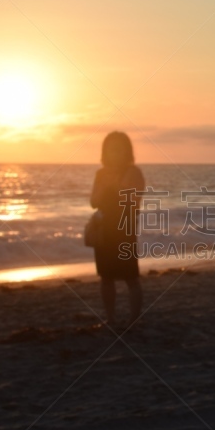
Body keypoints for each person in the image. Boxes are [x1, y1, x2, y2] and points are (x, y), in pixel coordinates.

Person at [90, 131, 146, 327]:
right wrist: (105, 186)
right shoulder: (100, 174)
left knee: (131, 277)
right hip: (104, 229)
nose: (114, 153)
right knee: (106, 277)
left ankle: (134, 319)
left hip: (125, 229)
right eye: (110, 149)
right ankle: (111, 318)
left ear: (126, 151)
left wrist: (113, 186)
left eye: (118, 149)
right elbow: (93, 201)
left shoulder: (133, 172)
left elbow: (133, 198)